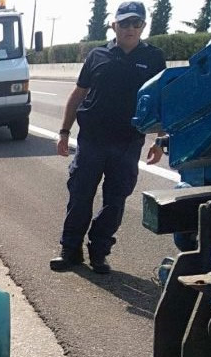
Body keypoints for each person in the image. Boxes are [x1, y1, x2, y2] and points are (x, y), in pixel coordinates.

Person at [50, 1, 166, 274]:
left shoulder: (153, 58)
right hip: (92, 140)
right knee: (80, 196)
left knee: (115, 201)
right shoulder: (97, 55)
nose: (130, 28)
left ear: (143, 26)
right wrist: (64, 132)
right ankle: (70, 250)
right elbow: (78, 94)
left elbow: (163, 100)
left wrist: (160, 140)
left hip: (128, 142)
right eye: (124, 23)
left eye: (136, 23)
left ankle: (99, 252)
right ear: (114, 25)